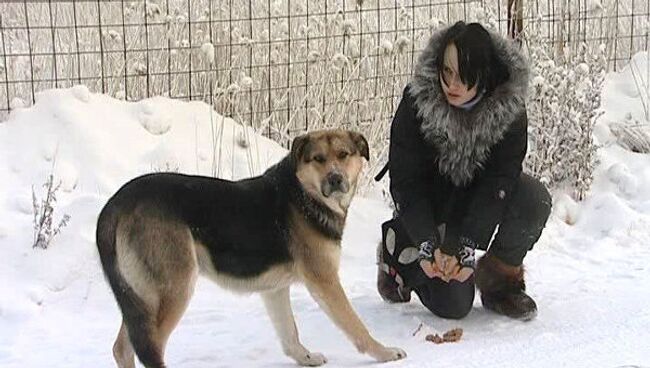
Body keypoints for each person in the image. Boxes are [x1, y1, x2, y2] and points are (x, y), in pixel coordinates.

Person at [374, 21, 552, 321]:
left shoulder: (509, 109)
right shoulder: (418, 101)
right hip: (431, 203)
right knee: (453, 307)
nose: (452, 85)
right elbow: (406, 183)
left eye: (464, 76)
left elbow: (501, 181)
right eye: (447, 72)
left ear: (485, 75)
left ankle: (500, 283)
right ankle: (399, 257)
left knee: (533, 199)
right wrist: (429, 244)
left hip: (479, 199)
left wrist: (467, 243)